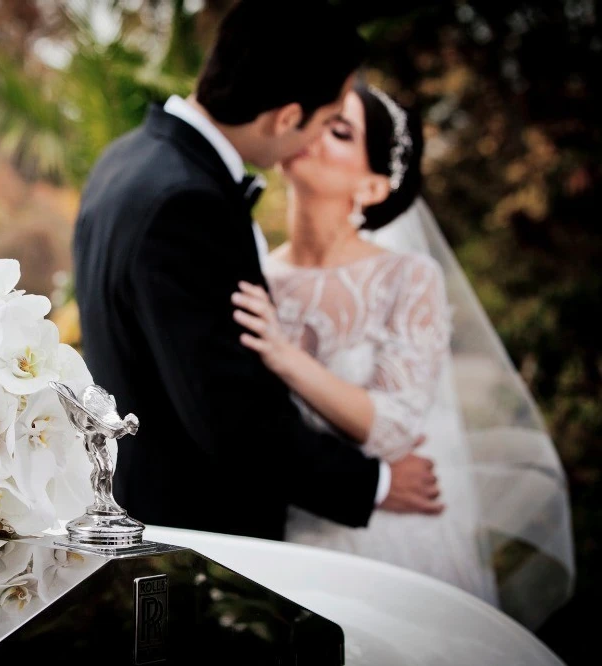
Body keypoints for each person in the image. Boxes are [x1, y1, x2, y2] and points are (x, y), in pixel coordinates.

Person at [72, 1, 440, 543]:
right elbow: (232, 419)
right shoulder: (188, 202)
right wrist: (374, 483)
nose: (316, 141)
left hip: (149, 501)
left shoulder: (126, 159)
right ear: (287, 117)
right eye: (324, 121)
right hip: (204, 531)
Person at [232, 83, 498, 602]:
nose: (313, 130)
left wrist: (283, 356)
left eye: (340, 129)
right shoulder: (255, 273)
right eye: (315, 113)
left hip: (382, 542)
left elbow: (396, 427)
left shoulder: (409, 278)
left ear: (373, 188)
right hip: (278, 540)